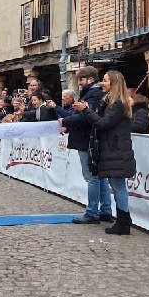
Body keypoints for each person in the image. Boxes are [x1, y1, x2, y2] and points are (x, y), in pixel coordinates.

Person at [70, 70, 137, 235]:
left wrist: (86, 110)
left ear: (113, 83)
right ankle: (123, 219)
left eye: (105, 81)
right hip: (113, 149)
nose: (102, 84)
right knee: (115, 185)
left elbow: (103, 123)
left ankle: (123, 221)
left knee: (118, 186)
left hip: (116, 150)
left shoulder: (118, 103)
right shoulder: (111, 101)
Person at [60, 66, 112, 225]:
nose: (80, 83)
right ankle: (105, 211)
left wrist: (65, 121)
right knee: (100, 177)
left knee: (92, 178)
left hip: (88, 140)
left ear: (90, 79)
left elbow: (86, 117)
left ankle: (92, 212)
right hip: (89, 139)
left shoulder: (93, 94)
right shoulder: (94, 93)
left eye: (81, 80)